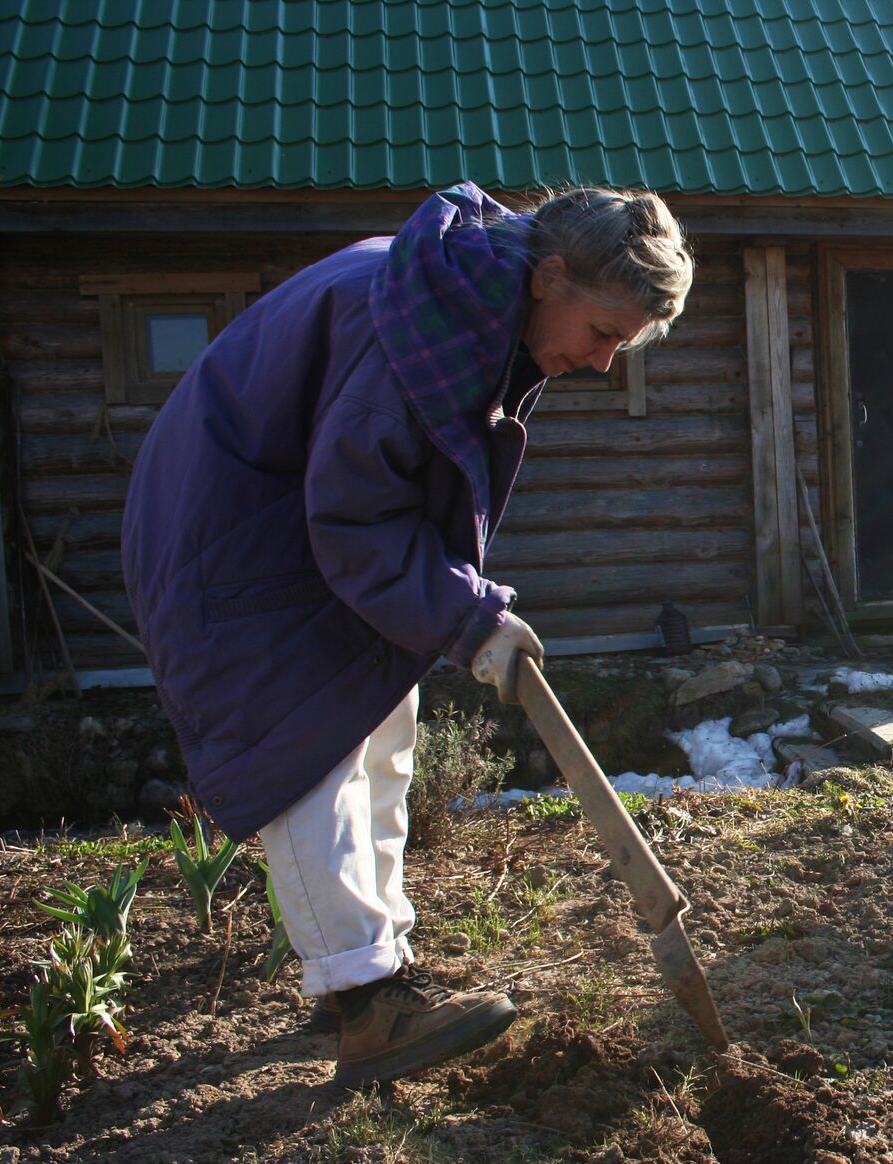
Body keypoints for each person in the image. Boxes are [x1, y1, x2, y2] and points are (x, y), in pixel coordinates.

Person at [121, 182, 693, 1087]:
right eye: (604, 333)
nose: (602, 362)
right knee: (311, 751)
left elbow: (381, 495)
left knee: (383, 725)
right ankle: (366, 1006)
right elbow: (354, 522)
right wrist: (468, 619)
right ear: (550, 276)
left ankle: (375, 974)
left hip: (290, 520)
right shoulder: (419, 330)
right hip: (230, 536)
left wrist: (468, 610)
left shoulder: (464, 302)